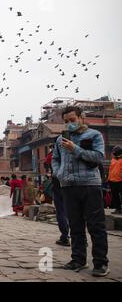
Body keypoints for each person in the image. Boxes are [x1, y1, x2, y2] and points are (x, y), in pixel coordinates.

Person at [53, 105, 109, 277]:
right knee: (75, 225)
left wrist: (75, 149)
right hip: (68, 186)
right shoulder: (60, 140)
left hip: (89, 185)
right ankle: (78, 259)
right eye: (66, 121)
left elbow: (99, 157)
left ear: (81, 117)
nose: (69, 124)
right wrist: (59, 173)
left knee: (95, 225)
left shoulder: (94, 135)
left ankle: (100, 262)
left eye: (72, 120)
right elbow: (55, 159)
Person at [108, 145, 122, 214]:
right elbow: (110, 170)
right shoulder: (113, 160)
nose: (113, 153)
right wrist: (109, 179)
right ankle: (118, 209)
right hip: (112, 181)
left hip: (120, 180)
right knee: (115, 196)